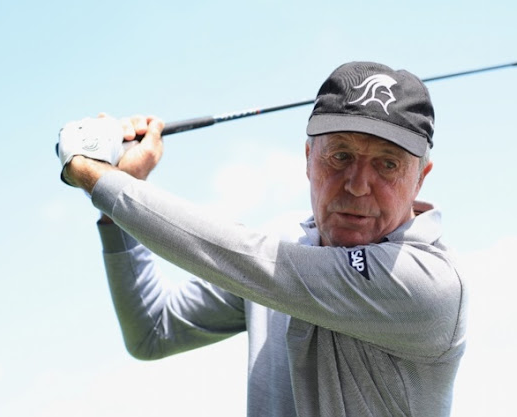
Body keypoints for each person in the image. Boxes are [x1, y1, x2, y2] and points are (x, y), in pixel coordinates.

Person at [58, 61, 467, 417]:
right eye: (340, 155)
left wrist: (100, 178)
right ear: (309, 160)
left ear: (420, 179)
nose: (358, 184)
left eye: (387, 163)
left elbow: (256, 260)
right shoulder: (285, 243)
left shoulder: (429, 284)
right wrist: (116, 197)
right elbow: (153, 330)